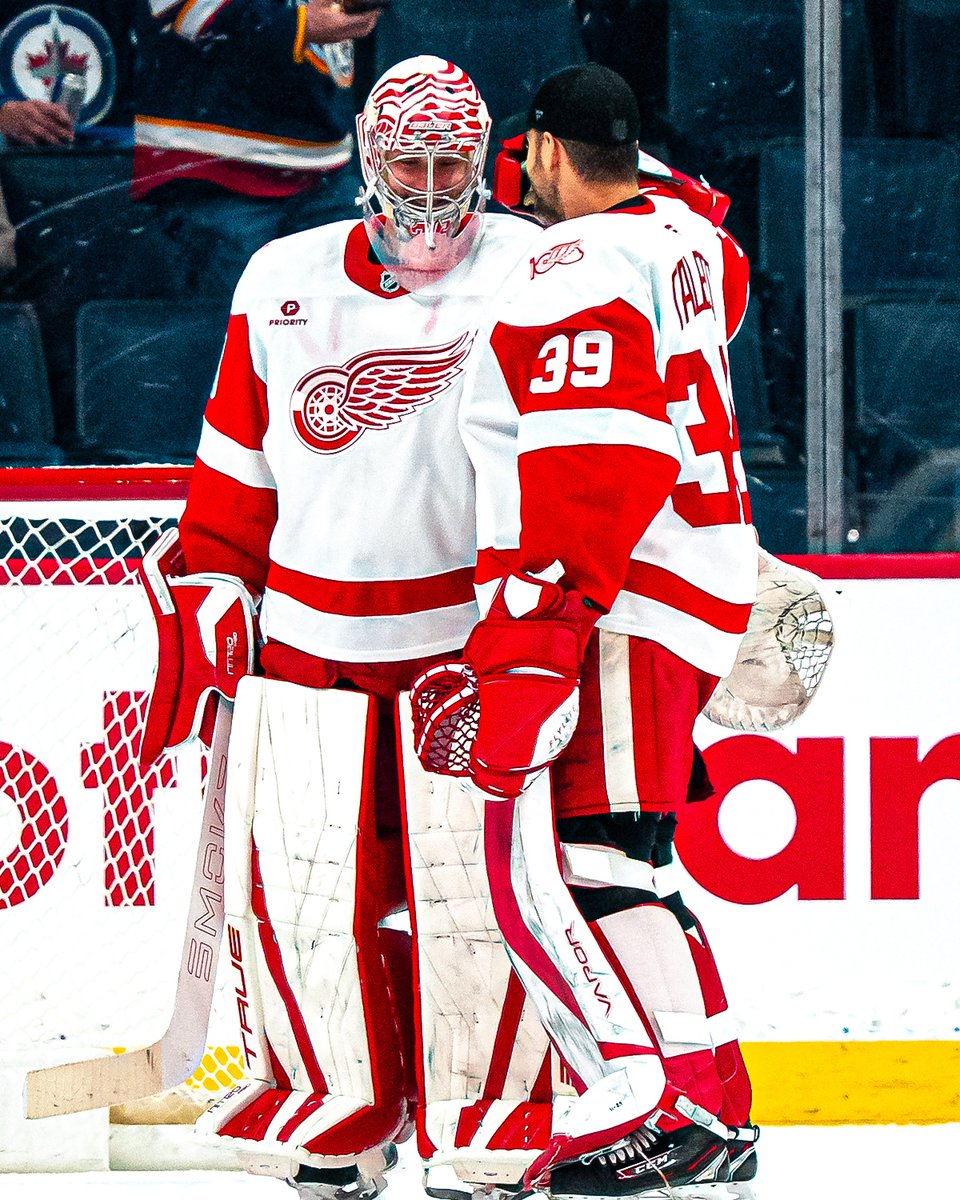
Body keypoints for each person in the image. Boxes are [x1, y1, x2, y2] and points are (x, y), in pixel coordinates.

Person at [138, 55, 544, 1199]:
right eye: (410, 162)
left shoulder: (533, 268)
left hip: (463, 651)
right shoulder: (282, 276)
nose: (432, 187)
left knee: (477, 907)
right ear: (369, 158)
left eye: (453, 162)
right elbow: (234, 474)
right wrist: (215, 589)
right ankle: (341, 1116)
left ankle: (484, 1123)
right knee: (309, 905)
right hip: (308, 653)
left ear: (487, 159)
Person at [411, 62, 761, 1195]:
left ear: (550, 152)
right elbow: (704, 245)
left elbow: (599, 448)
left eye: (530, 159)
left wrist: (541, 627)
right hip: (694, 578)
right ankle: (714, 1109)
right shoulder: (690, 242)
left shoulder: (572, 262)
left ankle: (673, 1112)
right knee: (639, 856)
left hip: (621, 591)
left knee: (596, 858)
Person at [131, 0, 389, 304]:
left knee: (344, 325)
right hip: (216, 175)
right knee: (225, 327)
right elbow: (181, 9)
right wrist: (297, 25)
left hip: (325, 170)